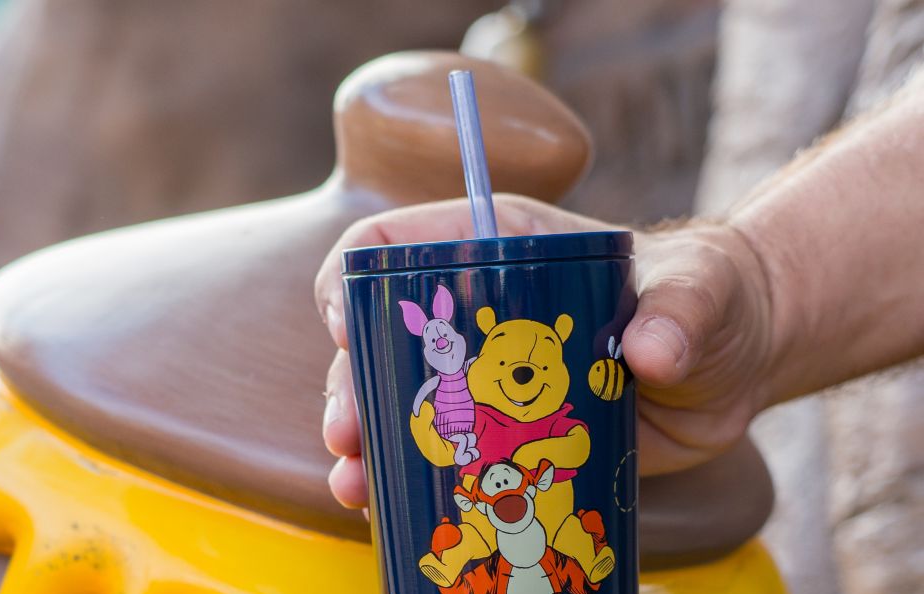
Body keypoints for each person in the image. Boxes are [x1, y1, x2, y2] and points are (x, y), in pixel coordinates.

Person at [315, 67, 924, 510]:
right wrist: (762, 278)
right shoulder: (473, 409)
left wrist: (764, 277)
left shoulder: (555, 418)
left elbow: (573, 444)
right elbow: (442, 436)